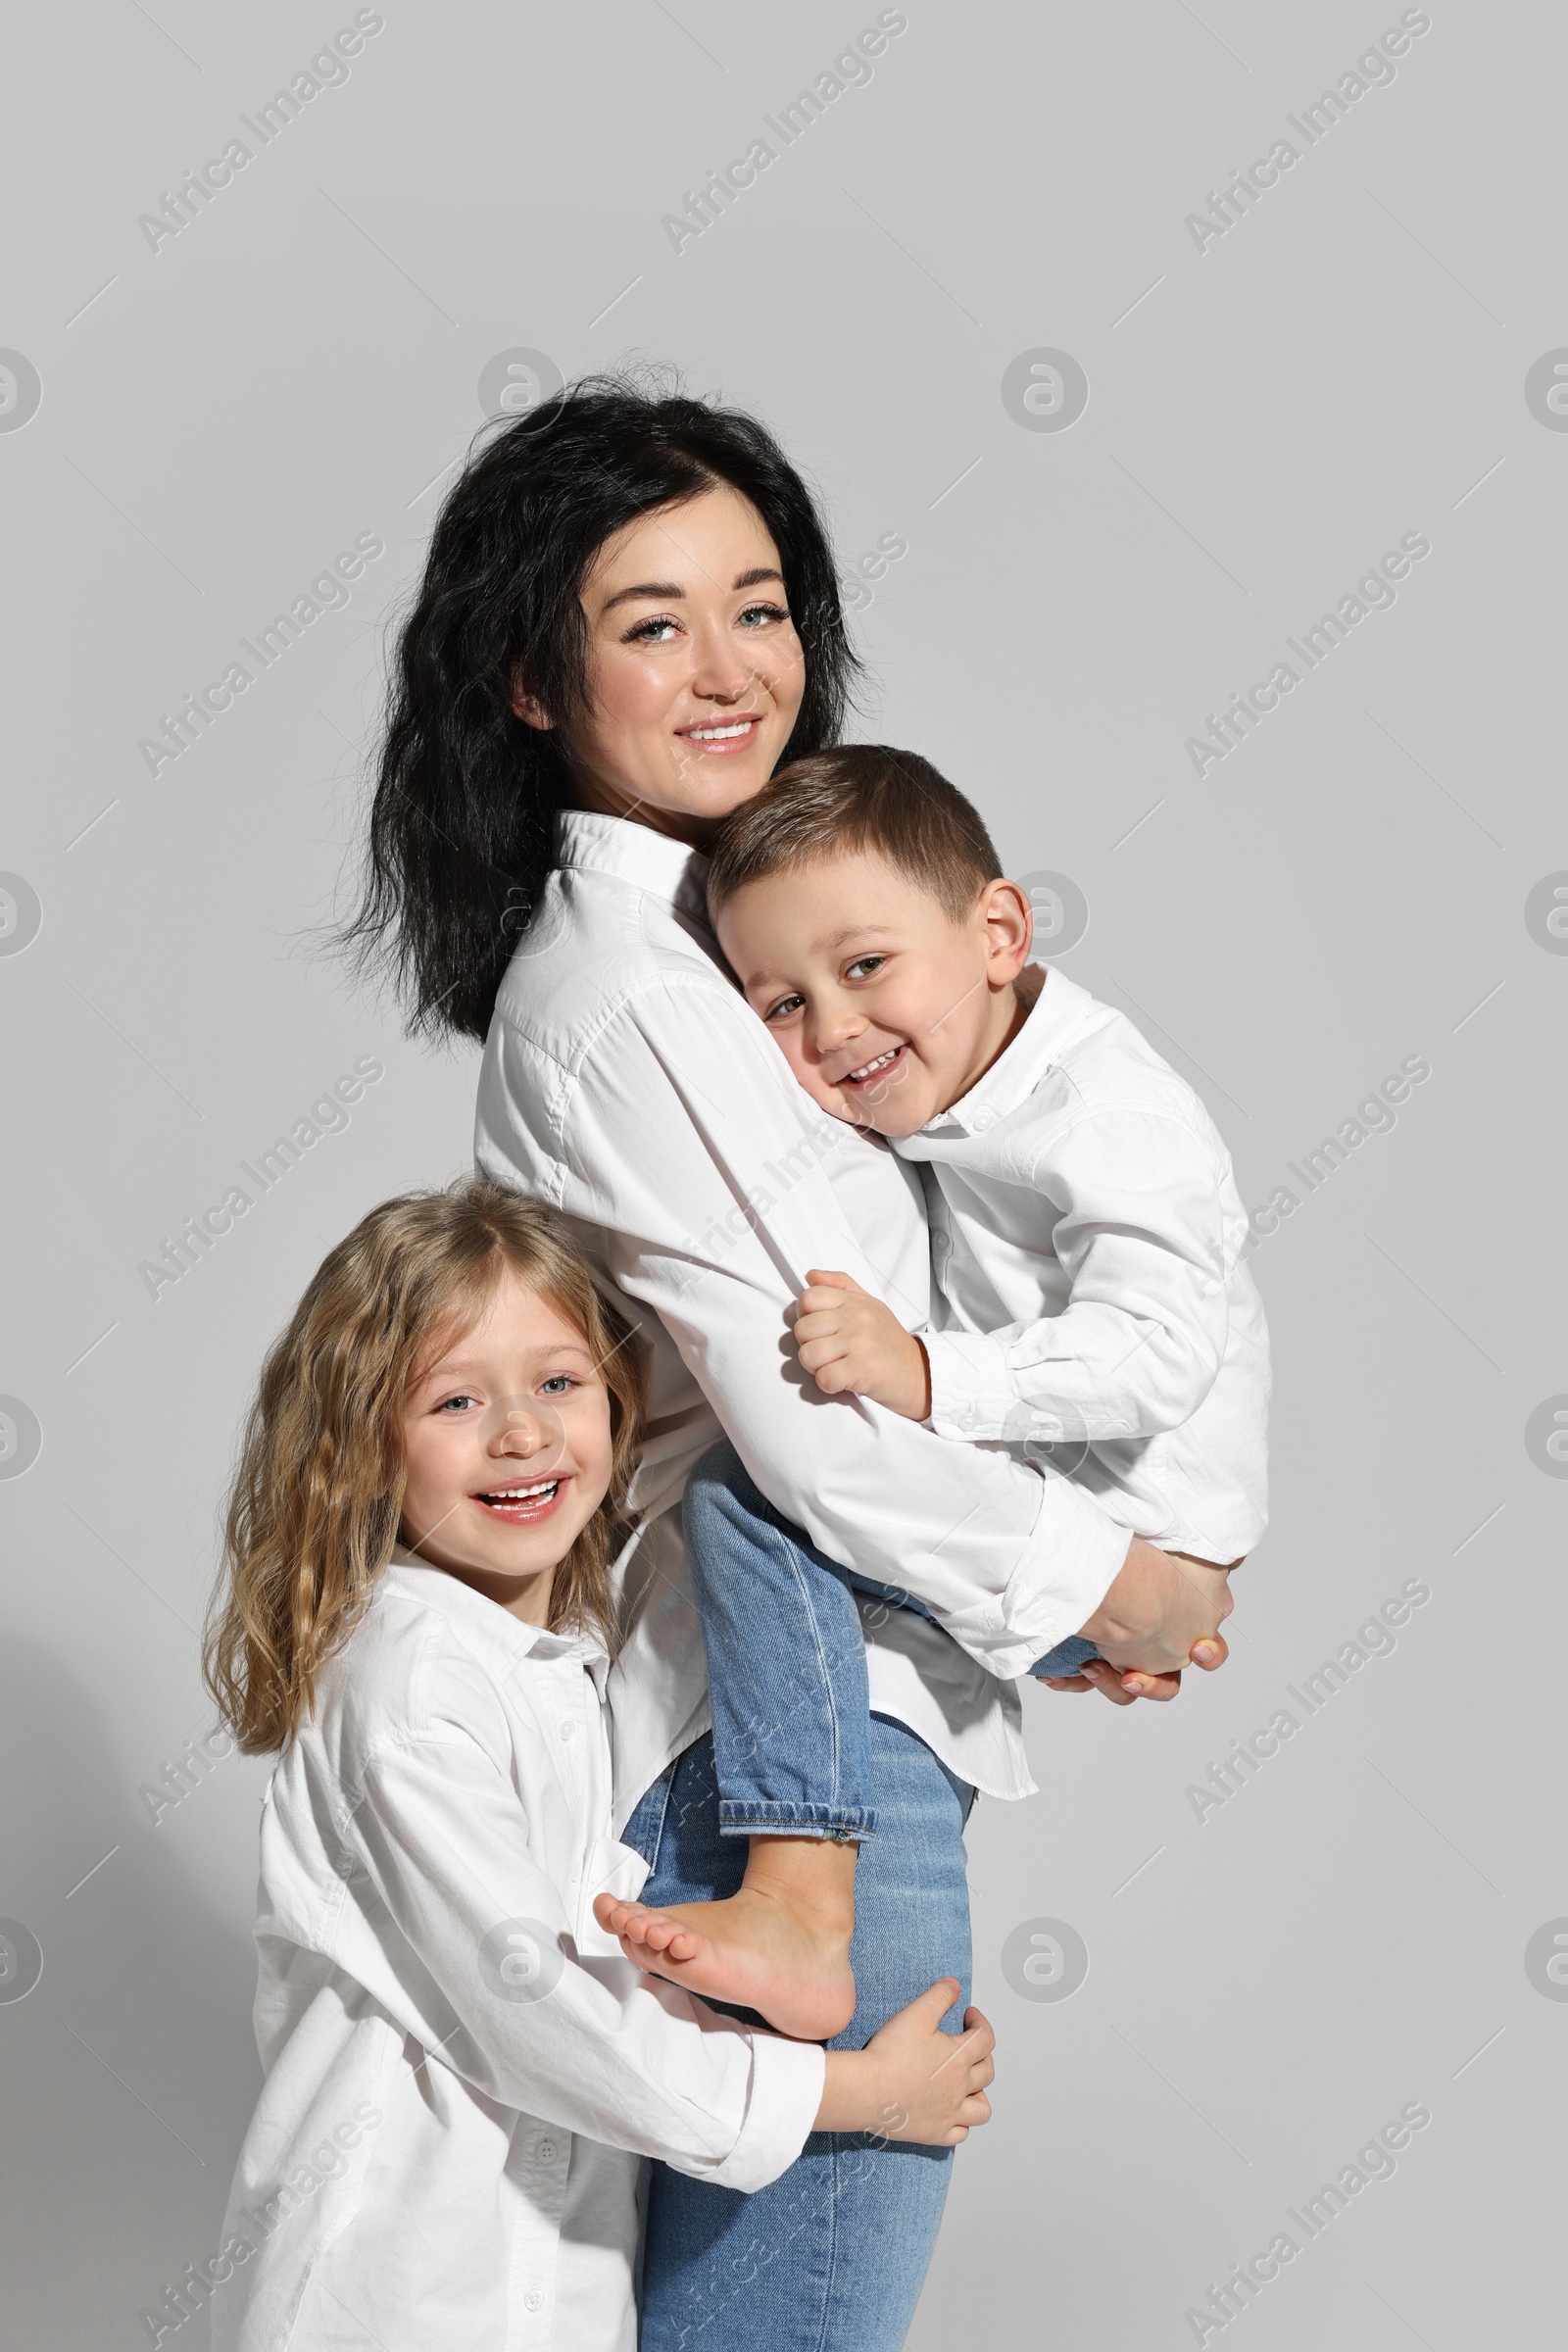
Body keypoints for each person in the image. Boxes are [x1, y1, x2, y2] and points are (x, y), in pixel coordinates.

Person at [348, 372, 1232, 2350]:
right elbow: (812, 1441)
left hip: (815, 1722)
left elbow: (915, 1344)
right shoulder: (638, 1003)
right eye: (649, 622)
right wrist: (1120, 1585)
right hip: (786, 1768)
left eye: (758, 604)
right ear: (527, 680)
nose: (731, 665)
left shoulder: (743, 950)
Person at [201, 1177, 994, 2352]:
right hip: (392, 2303)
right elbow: (537, 2013)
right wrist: (857, 2098)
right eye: (456, 1399)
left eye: (559, 1384)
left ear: (618, 1407)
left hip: (546, 2296)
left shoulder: (568, 1657)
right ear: (359, 1451)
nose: (522, 1432)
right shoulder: (411, 1682)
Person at [597, 745, 1268, 2025]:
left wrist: (923, 1375)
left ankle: (797, 1891)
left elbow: (1159, 1350)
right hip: (1073, 1537)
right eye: (776, 1006)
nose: (833, 1029)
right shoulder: (950, 1081)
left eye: (864, 968)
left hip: (1137, 1529)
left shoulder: (1108, 1113)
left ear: (1001, 930)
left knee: (749, 1498)